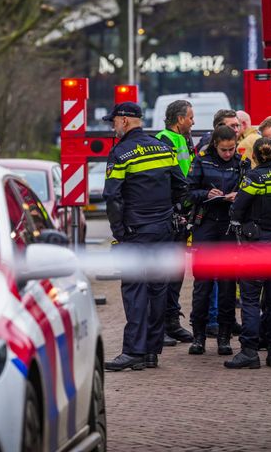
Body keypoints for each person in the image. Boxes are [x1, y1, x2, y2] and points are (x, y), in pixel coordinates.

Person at [102, 102, 189, 371]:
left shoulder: (121, 152)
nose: (113, 127)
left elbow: (112, 196)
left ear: (125, 121)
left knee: (134, 289)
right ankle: (152, 351)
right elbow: (180, 186)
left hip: (136, 232)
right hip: (163, 230)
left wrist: (119, 233)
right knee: (157, 288)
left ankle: (133, 352)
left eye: (114, 121)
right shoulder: (164, 148)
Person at [225, 138, 271, 369]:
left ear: (254, 156)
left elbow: (238, 207)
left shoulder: (253, 178)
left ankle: (250, 352)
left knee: (251, 300)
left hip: (257, 245)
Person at [186, 125, 249, 356]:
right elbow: (188, 191)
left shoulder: (242, 163)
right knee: (202, 285)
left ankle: (224, 336)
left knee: (227, 286)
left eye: (232, 149)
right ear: (215, 145)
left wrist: (238, 197)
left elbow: (251, 193)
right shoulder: (201, 160)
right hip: (206, 226)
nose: (228, 153)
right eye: (224, 149)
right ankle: (199, 336)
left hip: (229, 228)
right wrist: (205, 194)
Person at [155, 99, 195, 344]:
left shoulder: (184, 139)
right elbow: (170, 178)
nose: (193, 122)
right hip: (172, 214)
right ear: (180, 119)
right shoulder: (164, 140)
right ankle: (161, 326)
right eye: (190, 117)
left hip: (184, 214)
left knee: (178, 271)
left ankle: (172, 322)